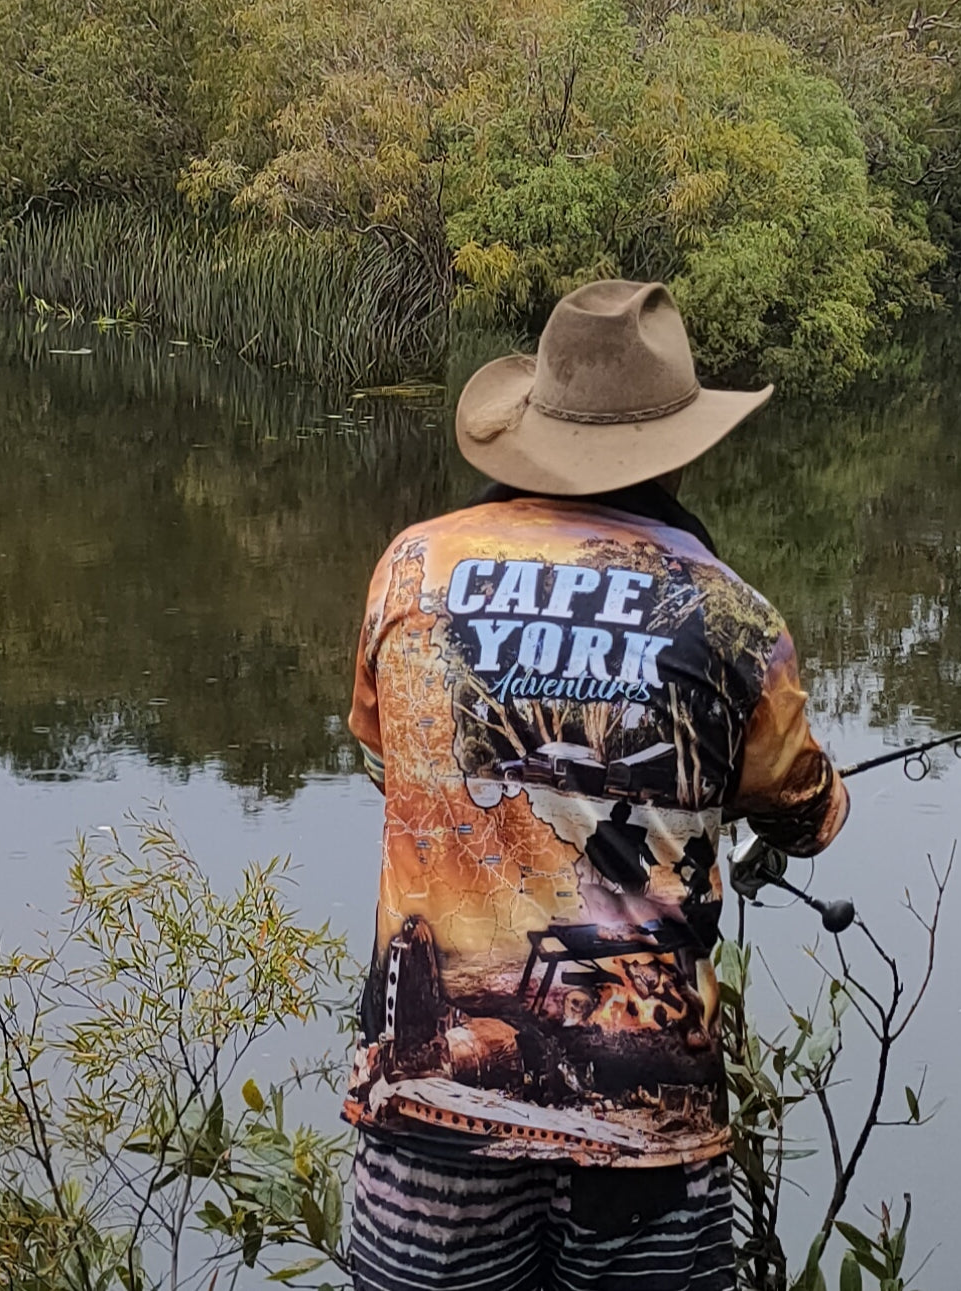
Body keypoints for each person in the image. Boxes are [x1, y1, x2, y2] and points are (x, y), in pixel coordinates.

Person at [343, 281, 849, 1291]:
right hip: (646, 1130)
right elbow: (807, 812)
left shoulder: (410, 571)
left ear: (533, 426)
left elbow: (383, 761)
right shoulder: (730, 617)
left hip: (431, 1127)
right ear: (681, 443)